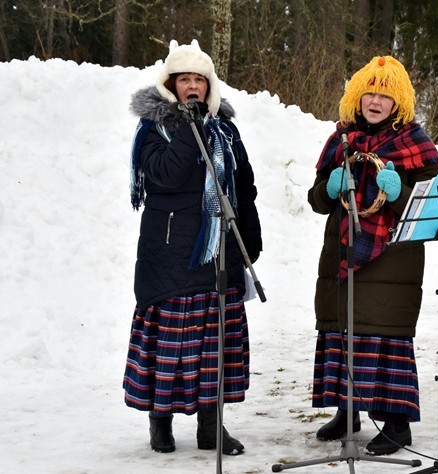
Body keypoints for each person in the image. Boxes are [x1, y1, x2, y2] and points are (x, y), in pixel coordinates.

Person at [123, 39, 262, 455]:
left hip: (218, 253)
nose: (193, 86)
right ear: (171, 83)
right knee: (172, 345)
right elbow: (164, 174)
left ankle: (210, 427)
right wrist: (190, 127)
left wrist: (248, 242)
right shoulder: (155, 127)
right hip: (169, 254)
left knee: (214, 347)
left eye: (199, 79)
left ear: (209, 84)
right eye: (184, 79)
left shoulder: (225, 129)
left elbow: (244, 188)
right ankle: (159, 422)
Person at [307, 55, 438, 456]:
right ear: (357, 95)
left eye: (386, 94)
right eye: (370, 91)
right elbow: (317, 200)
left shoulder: (415, 143)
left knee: (384, 332)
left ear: (397, 101)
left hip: (392, 258)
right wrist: (329, 188)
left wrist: (399, 189)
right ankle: (346, 411)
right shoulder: (341, 140)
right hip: (343, 250)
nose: (376, 100)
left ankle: (396, 425)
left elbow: (429, 205)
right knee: (343, 326)